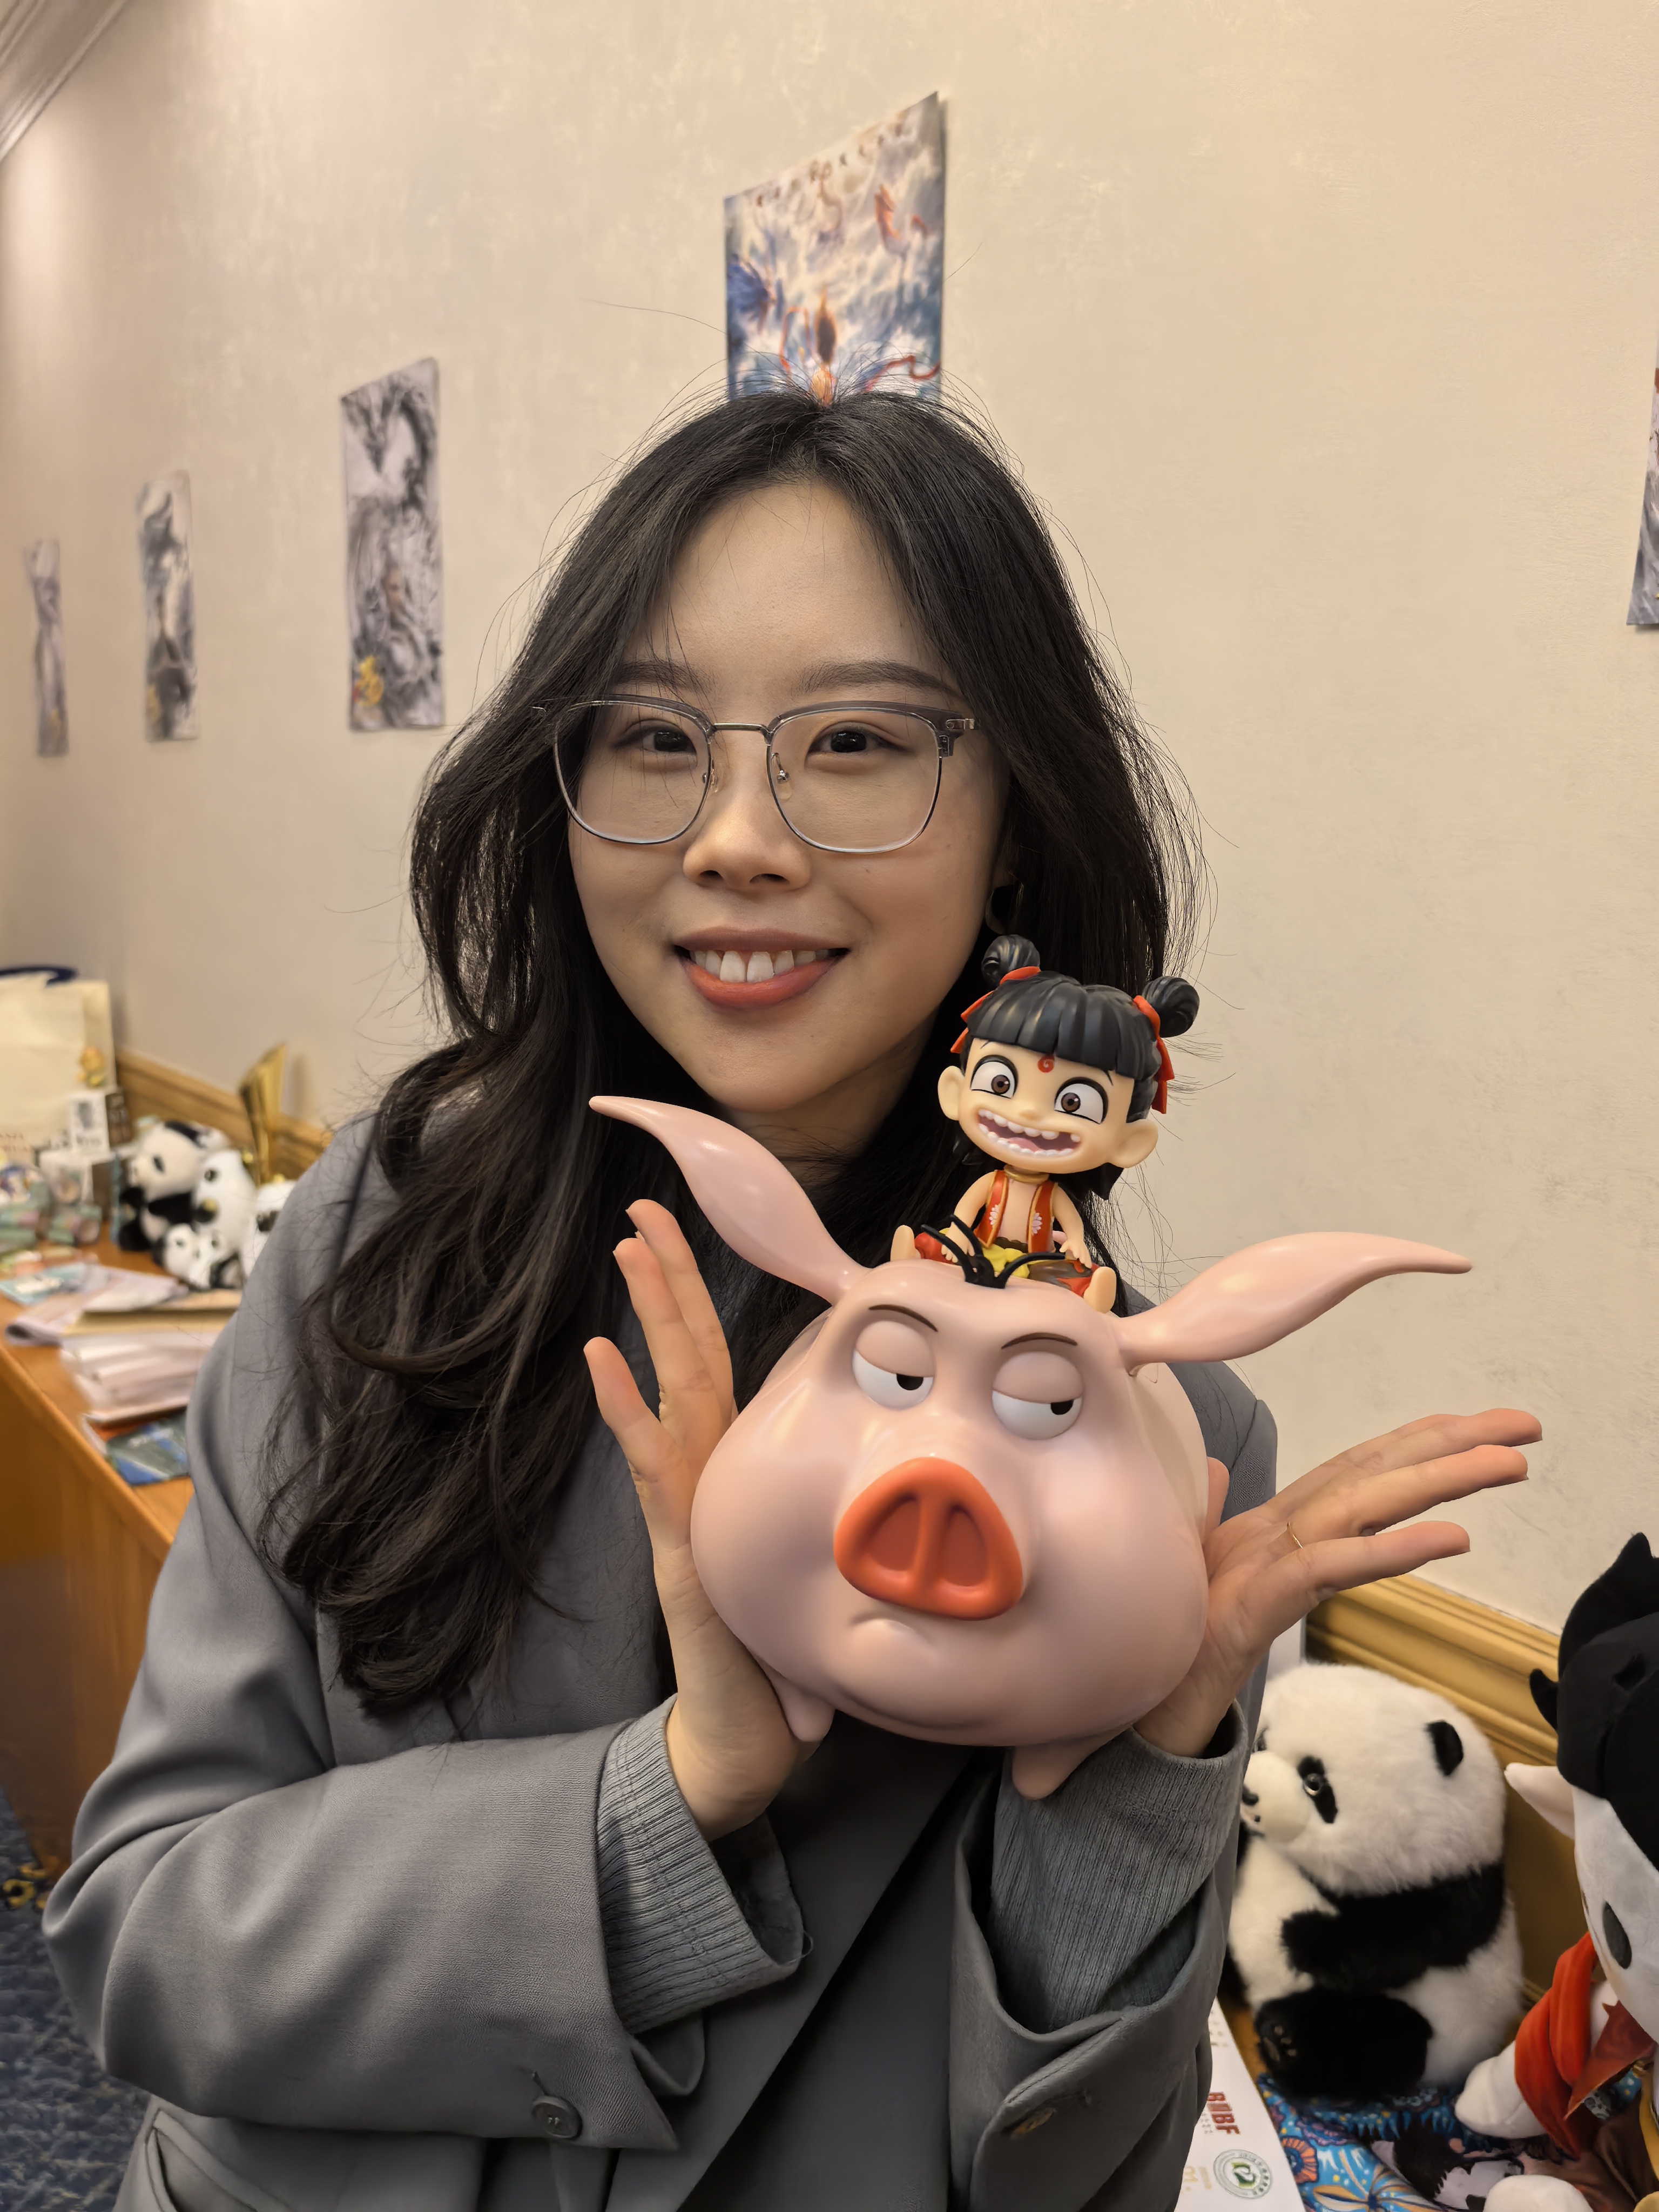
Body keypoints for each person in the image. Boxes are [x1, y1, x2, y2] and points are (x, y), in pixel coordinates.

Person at [44, 388, 1537, 2212]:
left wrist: (1138, 1784)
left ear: (1013, 816)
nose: (737, 837)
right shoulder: (390, 1236)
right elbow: (141, 1941)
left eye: (855, 742)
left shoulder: (1156, 1443)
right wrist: (669, 1796)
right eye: (652, 737)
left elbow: (1064, 2183)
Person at [919, 938, 1196, 1285]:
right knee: (942, 1244)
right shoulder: (993, 1184)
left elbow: (1072, 1229)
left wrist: (1076, 1243)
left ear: (1130, 1142)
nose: (1029, 1112)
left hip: (1035, 1262)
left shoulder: (1052, 1196)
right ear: (955, 1092)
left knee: (1072, 1274)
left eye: (1073, 1103)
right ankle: (919, 1253)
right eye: (1001, 1084)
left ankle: (1090, 1289)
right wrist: (961, 1232)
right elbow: (966, 1212)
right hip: (981, 1248)